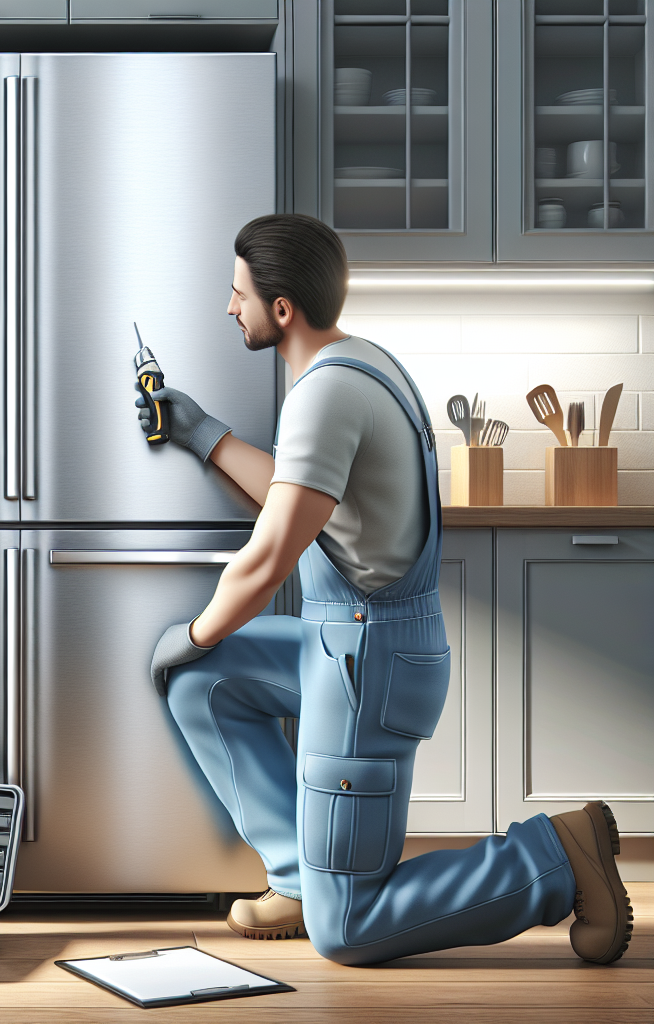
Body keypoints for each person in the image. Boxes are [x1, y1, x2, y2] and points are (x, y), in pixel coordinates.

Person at [136, 214, 632, 966]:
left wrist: (198, 631)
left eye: (238, 294)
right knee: (202, 685)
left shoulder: (324, 395)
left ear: (281, 309)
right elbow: (299, 496)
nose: (227, 307)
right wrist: (201, 431)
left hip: (366, 662)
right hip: (344, 642)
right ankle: (303, 879)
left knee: (351, 931)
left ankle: (553, 858)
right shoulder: (361, 363)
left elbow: (271, 552)